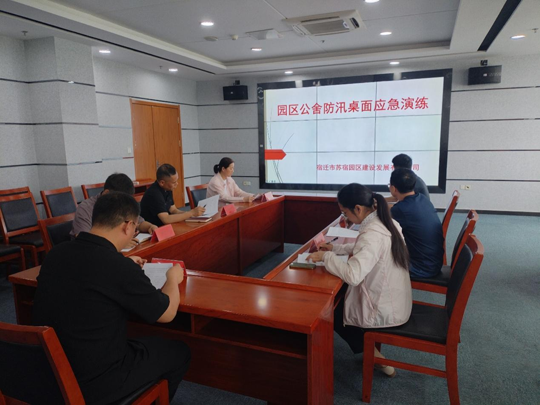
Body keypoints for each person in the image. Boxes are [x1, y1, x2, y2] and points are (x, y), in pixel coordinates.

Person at [33, 192, 191, 404]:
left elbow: (87, 275)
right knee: (178, 351)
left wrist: (124, 265)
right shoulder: (117, 266)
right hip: (96, 382)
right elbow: (167, 313)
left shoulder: (55, 254)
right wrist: (172, 278)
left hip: (47, 372)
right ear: (128, 226)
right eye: (135, 228)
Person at [307, 183, 411, 378]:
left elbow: (353, 276)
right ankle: (371, 353)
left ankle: (376, 358)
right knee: (338, 297)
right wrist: (335, 249)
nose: (345, 218)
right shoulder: (384, 221)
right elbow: (364, 248)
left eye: (345, 213)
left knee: (331, 311)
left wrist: (326, 257)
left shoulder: (372, 233)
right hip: (395, 298)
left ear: (358, 208)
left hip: (385, 308)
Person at [71, 173, 158, 249]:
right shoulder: (85, 208)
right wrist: (118, 243)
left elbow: (139, 222)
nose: (123, 204)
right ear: (106, 193)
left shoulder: (123, 203)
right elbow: (85, 240)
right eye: (120, 200)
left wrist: (150, 226)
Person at [389, 168, 444, 278]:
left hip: (420, 268)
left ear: (393, 188)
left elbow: (384, 224)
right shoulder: (422, 199)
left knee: (378, 261)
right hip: (433, 262)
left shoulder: (401, 210)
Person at [140, 164, 205, 226]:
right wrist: (191, 213)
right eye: (174, 182)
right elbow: (166, 219)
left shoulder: (167, 188)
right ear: (162, 183)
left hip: (165, 226)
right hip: (152, 229)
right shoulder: (154, 193)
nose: (177, 184)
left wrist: (192, 214)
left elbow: (173, 210)